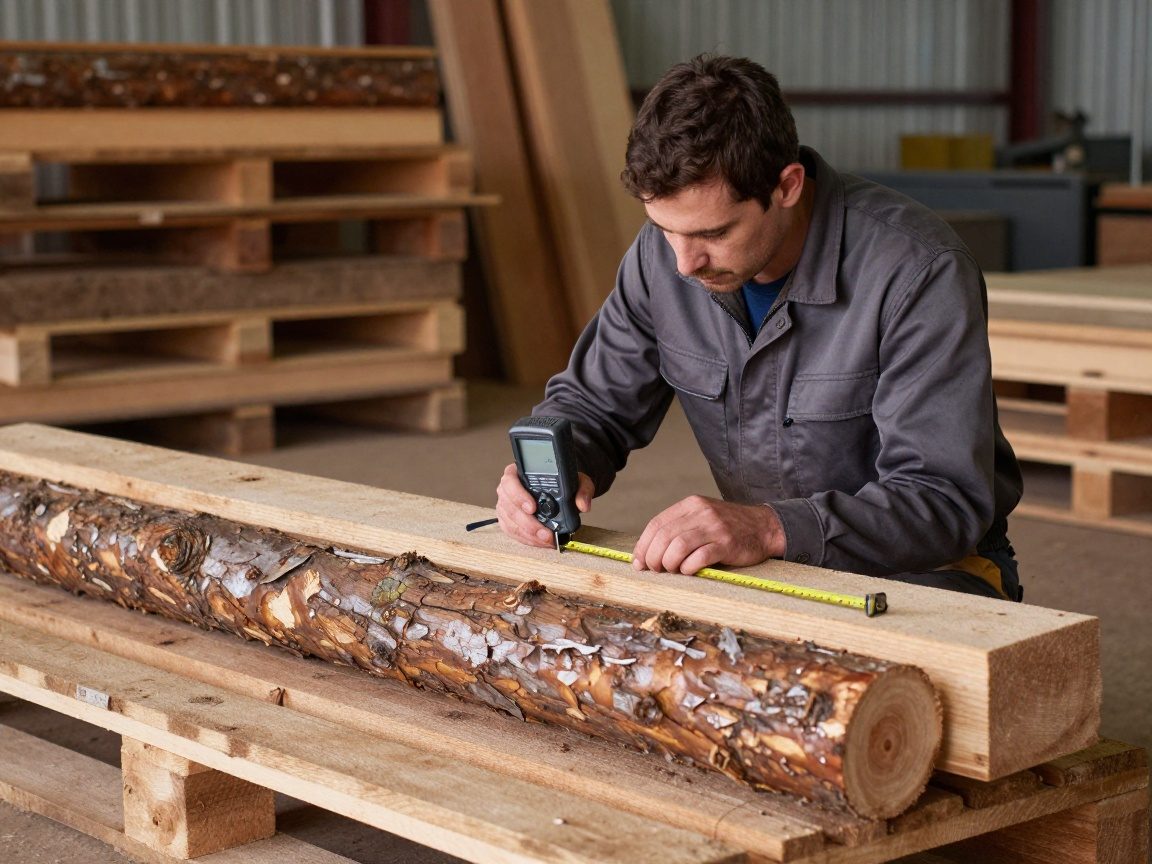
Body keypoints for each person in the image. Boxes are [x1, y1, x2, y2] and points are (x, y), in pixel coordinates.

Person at [495, 54, 1023, 600]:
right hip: (771, 563)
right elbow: (592, 406)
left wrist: (769, 527)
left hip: (930, 569)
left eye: (714, 233)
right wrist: (555, 469)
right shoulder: (661, 257)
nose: (684, 264)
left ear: (787, 186)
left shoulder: (917, 270)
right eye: (665, 229)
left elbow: (942, 497)